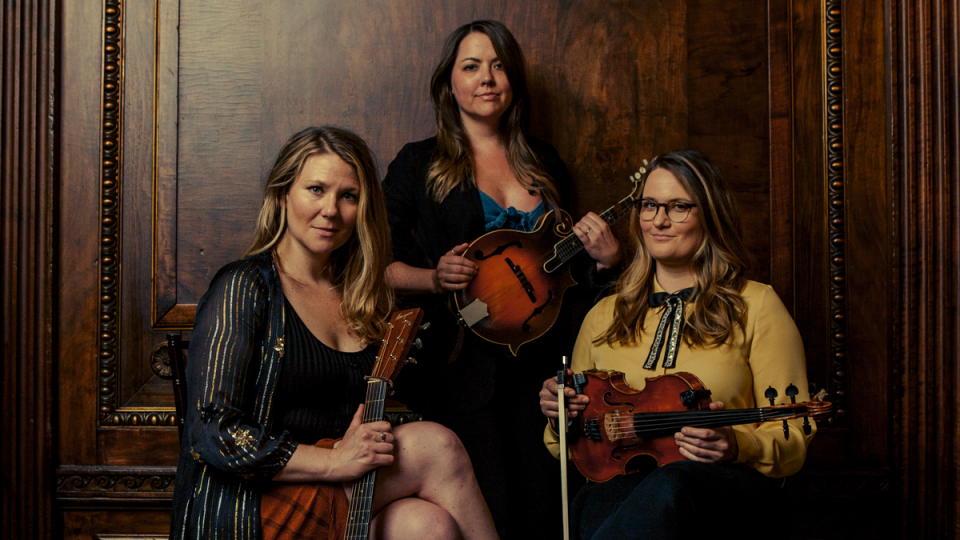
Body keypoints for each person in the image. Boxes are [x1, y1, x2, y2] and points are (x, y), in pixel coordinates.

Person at [170, 126, 499, 540]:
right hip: (253, 505)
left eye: (349, 195)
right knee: (437, 447)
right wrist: (333, 461)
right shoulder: (245, 286)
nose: (331, 210)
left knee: (425, 525)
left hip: (336, 491)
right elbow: (211, 432)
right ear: (282, 194)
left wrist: (480, 295)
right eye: (315, 189)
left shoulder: (361, 297)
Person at [383, 20, 621, 538]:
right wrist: (432, 276)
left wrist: (603, 262)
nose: (487, 78)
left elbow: (568, 276)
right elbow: (374, 265)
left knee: (549, 510)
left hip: (544, 369)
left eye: (498, 65)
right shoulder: (418, 164)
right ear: (451, 83)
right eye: (471, 66)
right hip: (459, 369)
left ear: (512, 79)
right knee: (491, 510)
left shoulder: (545, 162)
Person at [539, 150, 817, 540]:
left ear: (710, 214)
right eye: (649, 205)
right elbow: (566, 448)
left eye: (679, 207)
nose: (659, 220)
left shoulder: (757, 305)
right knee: (594, 500)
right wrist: (561, 416)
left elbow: (794, 434)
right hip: (629, 489)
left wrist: (736, 445)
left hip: (728, 496)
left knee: (674, 482)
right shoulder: (604, 314)